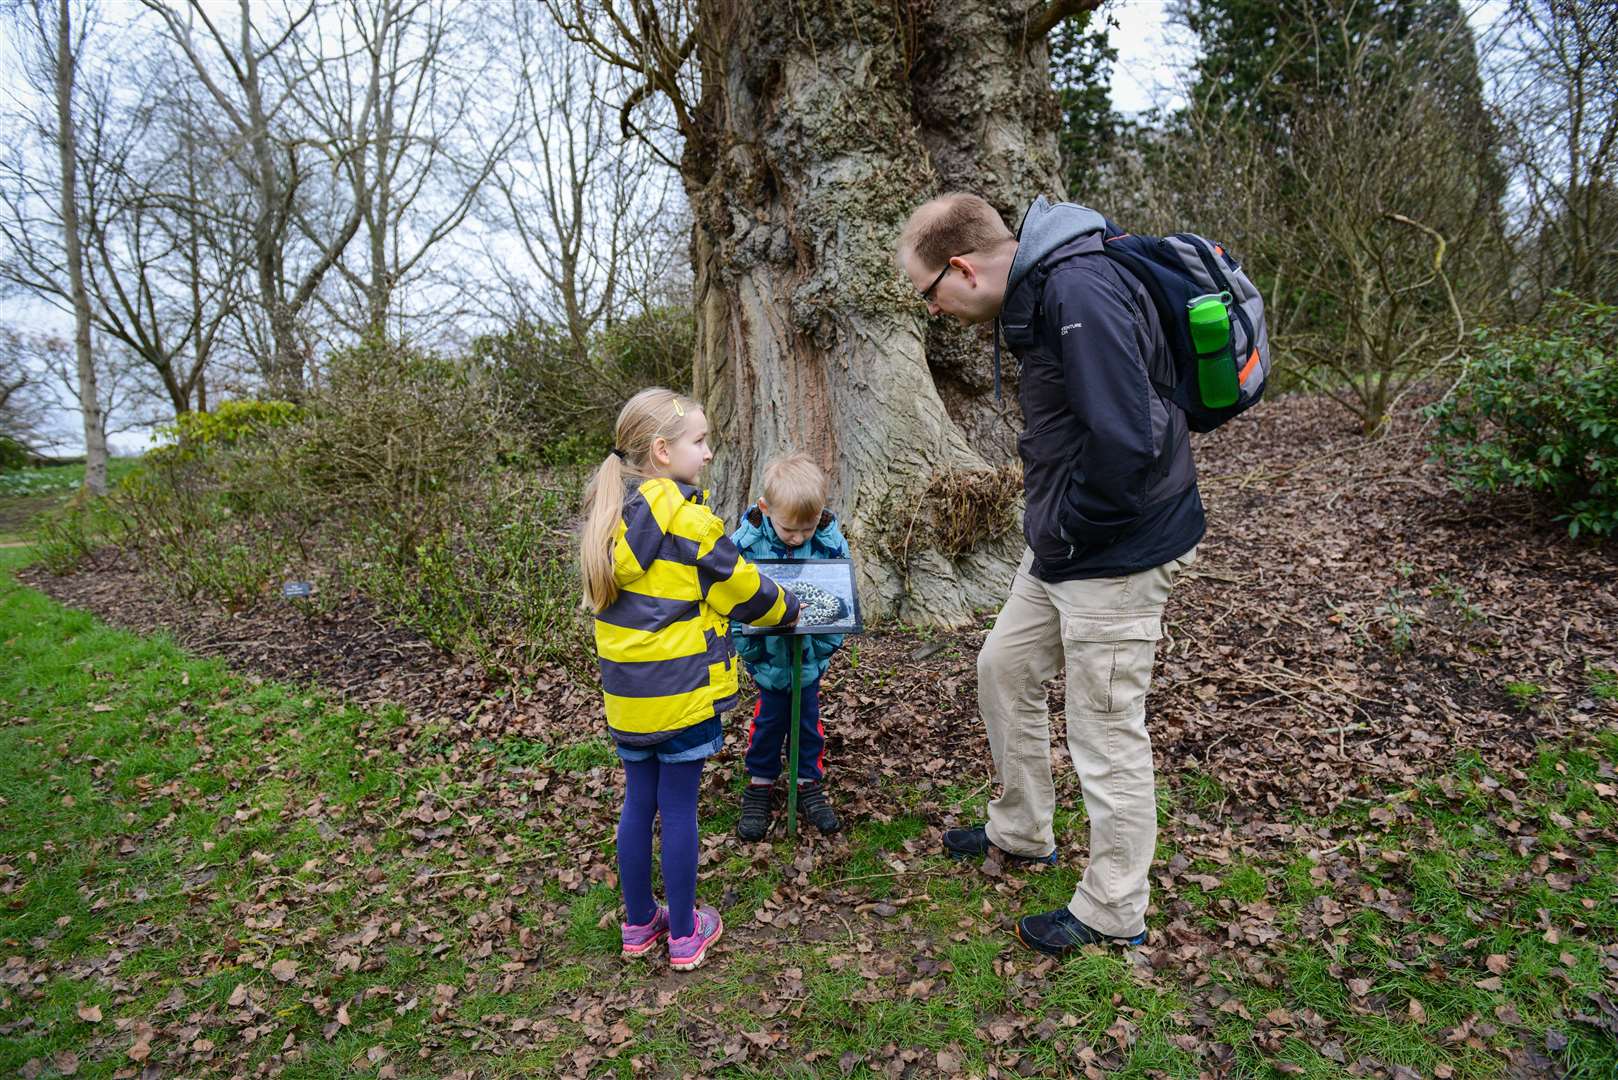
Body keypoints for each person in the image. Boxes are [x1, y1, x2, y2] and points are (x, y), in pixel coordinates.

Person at [895, 194, 1203, 958]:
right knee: (1003, 667)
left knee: (1104, 731)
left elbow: (1129, 442)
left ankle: (1112, 910)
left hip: (1114, 551)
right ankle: (1023, 827)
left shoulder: (1079, 290)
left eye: (928, 295)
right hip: (1067, 543)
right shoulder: (1046, 288)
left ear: (961, 268)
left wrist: (1070, 529)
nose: (934, 313)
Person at [579, 387, 799, 971]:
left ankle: (637, 923)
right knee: (678, 810)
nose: (707, 454)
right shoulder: (687, 518)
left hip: (629, 699)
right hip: (681, 695)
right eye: (698, 442)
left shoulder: (609, 516)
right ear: (660, 451)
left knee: (636, 805)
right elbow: (742, 588)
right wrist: (790, 610)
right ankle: (684, 932)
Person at [729, 453, 852, 839]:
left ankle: (808, 783)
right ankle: (761, 784)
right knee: (768, 723)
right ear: (766, 510)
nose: (799, 538)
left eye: (808, 528)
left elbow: (840, 597)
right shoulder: (746, 545)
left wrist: (823, 648)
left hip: (808, 658)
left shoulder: (829, 544)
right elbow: (733, 601)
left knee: (807, 723)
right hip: (768, 658)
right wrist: (752, 651)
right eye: (789, 530)